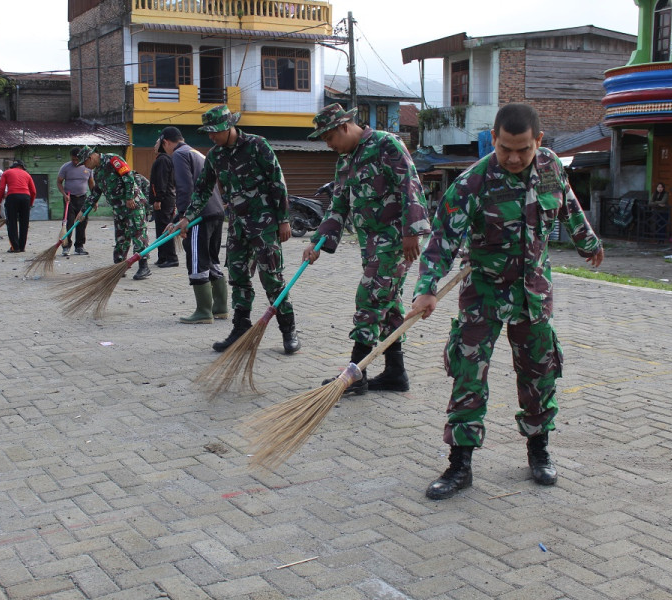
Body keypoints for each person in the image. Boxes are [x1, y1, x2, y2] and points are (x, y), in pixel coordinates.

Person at [407, 103, 605, 500]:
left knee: (538, 372)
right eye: (505, 149)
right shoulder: (472, 183)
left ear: (539, 142)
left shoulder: (550, 167)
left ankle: (539, 450)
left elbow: (567, 206)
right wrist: (427, 288)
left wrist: (587, 243)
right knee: (468, 374)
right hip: (483, 293)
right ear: (493, 139)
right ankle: (460, 463)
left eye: (523, 149)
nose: (514, 158)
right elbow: (442, 240)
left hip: (533, 293)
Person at [303, 104, 430, 395]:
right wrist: (317, 241)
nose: (329, 144)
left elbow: (410, 186)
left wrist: (412, 231)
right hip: (369, 244)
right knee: (388, 304)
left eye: (330, 137)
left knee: (370, 298)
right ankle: (396, 374)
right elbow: (338, 205)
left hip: (396, 241)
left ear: (344, 127)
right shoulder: (346, 160)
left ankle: (354, 375)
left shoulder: (387, 144)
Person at [168, 105, 300, 353]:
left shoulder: (257, 145)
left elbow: (277, 182)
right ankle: (241, 328)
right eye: (208, 133)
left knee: (272, 278)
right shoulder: (216, 155)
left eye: (214, 132)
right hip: (237, 226)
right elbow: (203, 189)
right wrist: (187, 217)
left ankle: (288, 329)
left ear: (228, 127)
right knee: (238, 277)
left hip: (264, 225)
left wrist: (284, 220)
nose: (211, 137)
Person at [160, 126, 227, 324]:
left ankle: (204, 311)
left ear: (166, 142)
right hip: (215, 212)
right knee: (212, 258)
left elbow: (185, 187)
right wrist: (175, 220)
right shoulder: (196, 152)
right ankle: (221, 308)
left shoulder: (179, 155)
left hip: (199, 215)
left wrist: (183, 217)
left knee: (197, 260)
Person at [76, 145, 152, 280]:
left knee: (138, 234)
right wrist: (83, 211)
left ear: (91, 157)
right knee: (121, 237)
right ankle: (119, 266)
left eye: (85, 163)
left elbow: (128, 176)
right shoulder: (98, 172)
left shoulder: (113, 160)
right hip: (119, 208)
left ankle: (143, 266)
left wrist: (129, 197)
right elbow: (96, 192)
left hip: (133, 204)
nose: (86, 167)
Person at [57, 148, 96, 256]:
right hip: (69, 199)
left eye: (77, 159)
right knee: (69, 222)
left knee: (82, 222)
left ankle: (79, 246)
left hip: (83, 198)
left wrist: (94, 199)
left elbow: (91, 183)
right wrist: (64, 195)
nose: (75, 162)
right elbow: (59, 182)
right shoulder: (65, 167)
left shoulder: (88, 167)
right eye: (73, 159)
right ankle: (66, 246)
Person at [149, 138, 179, 268]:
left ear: (162, 144)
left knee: (166, 228)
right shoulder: (162, 159)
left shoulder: (163, 160)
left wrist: (158, 199)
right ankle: (162, 257)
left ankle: (171, 257)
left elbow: (162, 181)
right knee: (160, 228)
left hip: (165, 201)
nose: (154, 146)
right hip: (165, 199)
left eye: (156, 143)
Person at [0, 160, 36, 253]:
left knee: (12, 222)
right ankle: (22, 247)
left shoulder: (6, 173)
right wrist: (30, 203)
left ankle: (15, 247)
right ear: (22, 167)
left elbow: (2, 188)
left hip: (12, 197)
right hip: (26, 198)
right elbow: (33, 191)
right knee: (24, 223)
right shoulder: (27, 174)